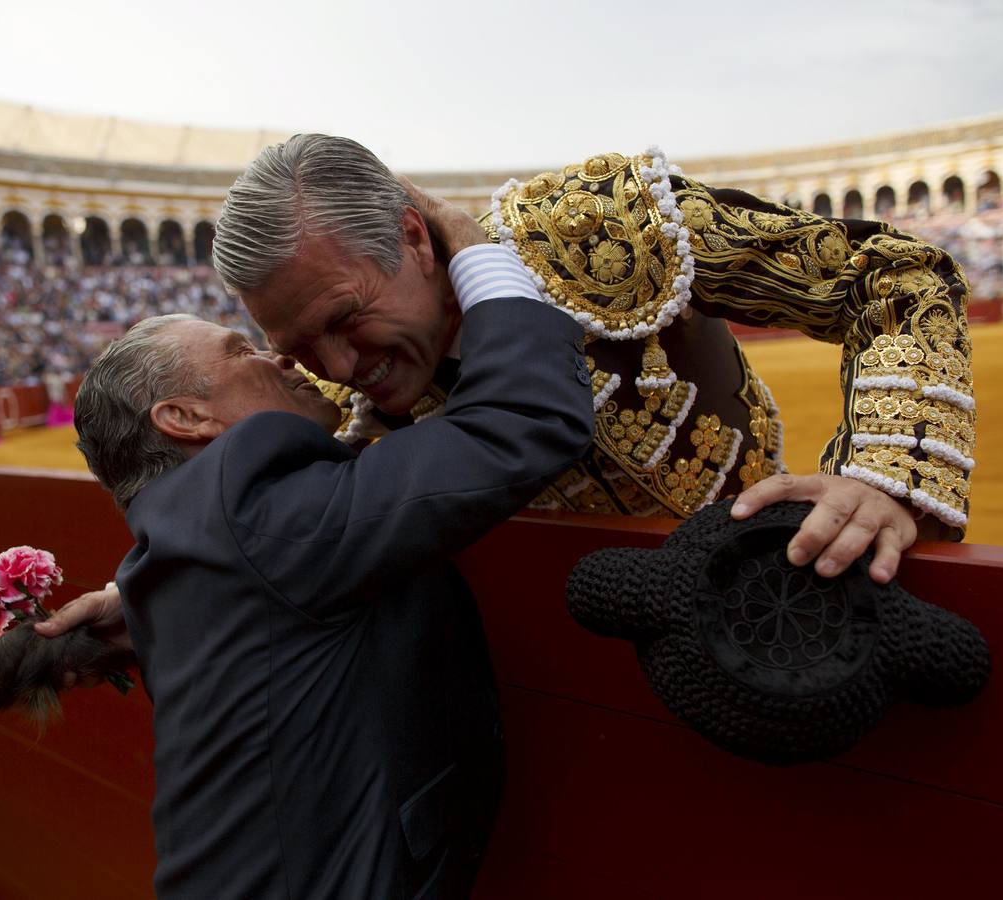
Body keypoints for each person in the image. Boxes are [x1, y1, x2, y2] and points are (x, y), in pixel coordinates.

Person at [31, 187, 593, 898]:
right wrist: (471, 245)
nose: (283, 359)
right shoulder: (256, 509)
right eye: (242, 352)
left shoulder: (182, 550)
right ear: (186, 416)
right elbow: (519, 418)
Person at [203, 135, 975, 586]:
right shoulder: (333, 402)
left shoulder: (594, 225)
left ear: (413, 238)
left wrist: (886, 471)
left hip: (764, 586)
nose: (338, 367)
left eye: (346, 318)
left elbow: (888, 274)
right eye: (299, 349)